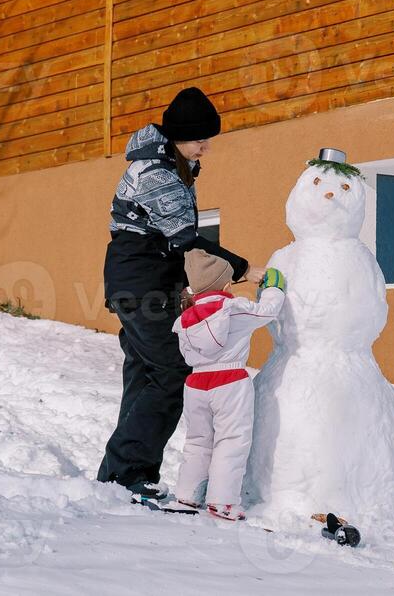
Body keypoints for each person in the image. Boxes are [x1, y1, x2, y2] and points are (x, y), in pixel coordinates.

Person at [97, 87, 263, 498]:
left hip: (147, 283)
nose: (205, 148)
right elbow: (185, 239)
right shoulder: (156, 173)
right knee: (173, 372)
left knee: (145, 373)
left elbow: (176, 244)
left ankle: (123, 476)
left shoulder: (172, 165)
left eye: (208, 139)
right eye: (199, 139)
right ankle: (125, 473)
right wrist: (243, 269)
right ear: (177, 135)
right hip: (141, 284)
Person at [163, 250, 286, 521]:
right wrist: (274, 288)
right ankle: (223, 502)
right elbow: (267, 312)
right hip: (229, 381)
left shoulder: (185, 319)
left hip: (195, 383)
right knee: (231, 441)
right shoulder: (233, 310)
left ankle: (187, 495)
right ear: (226, 284)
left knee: (197, 441)